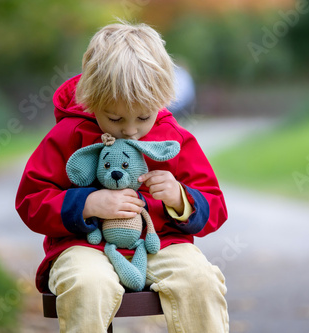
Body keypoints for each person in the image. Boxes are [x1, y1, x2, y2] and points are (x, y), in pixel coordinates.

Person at [15, 21, 229, 333]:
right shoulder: (68, 134)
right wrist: (86, 204)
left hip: (162, 245)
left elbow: (215, 204)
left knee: (200, 280)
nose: (130, 129)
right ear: (92, 100)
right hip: (83, 247)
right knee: (88, 285)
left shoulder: (172, 138)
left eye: (143, 117)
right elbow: (31, 200)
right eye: (114, 118)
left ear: (162, 99)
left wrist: (179, 198)